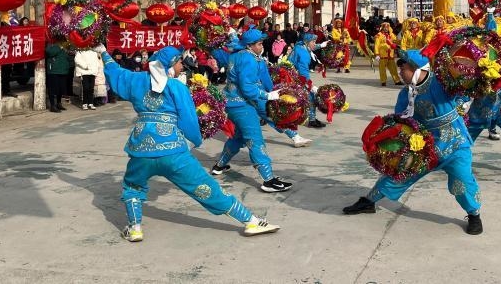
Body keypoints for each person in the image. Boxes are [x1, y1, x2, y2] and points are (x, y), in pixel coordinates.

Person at [98, 44, 280, 241]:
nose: (182, 67)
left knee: (132, 185)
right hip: (173, 152)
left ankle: (135, 228)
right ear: (170, 66)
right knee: (205, 187)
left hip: (141, 150)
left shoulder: (136, 81)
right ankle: (250, 221)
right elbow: (189, 119)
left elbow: (116, 73)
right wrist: (196, 139)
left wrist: (103, 52)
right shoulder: (176, 87)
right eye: (179, 63)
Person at [342, 50, 483, 235]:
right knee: (399, 172)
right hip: (427, 147)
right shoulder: (405, 95)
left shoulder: (442, 82)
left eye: (403, 67)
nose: (400, 71)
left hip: (456, 145)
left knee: (462, 181)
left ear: (417, 69)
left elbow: (466, 85)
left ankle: (474, 215)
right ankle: (369, 202)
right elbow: (401, 121)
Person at [210, 28, 293, 192]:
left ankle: (219, 166)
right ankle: (268, 180)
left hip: (232, 103)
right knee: (255, 139)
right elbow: (248, 88)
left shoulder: (236, 55)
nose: (262, 46)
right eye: (260, 43)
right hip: (243, 105)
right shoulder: (248, 59)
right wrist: (268, 96)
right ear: (250, 45)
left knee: (238, 138)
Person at [288, 32, 329, 128]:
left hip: (291, 75)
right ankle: (311, 120)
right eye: (313, 41)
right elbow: (304, 73)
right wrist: (310, 86)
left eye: (315, 41)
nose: (314, 43)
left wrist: (321, 45)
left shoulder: (301, 46)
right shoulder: (304, 54)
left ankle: (308, 118)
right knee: (310, 96)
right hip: (294, 77)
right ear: (307, 42)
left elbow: (312, 47)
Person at [373, 22, 402, 87]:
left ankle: (397, 81)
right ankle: (383, 81)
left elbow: (396, 40)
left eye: (387, 27)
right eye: (384, 27)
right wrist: (377, 54)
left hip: (390, 55)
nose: (386, 29)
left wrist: (401, 41)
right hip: (382, 55)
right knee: (382, 69)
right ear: (382, 28)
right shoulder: (379, 35)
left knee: (393, 69)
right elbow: (376, 45)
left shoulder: (391, 35)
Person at [45, 40, 69, 113]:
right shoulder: (50, 44)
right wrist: (59, 47)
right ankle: (52, 105)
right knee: (53, 89)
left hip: (62, 71)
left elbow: (65, 56)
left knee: (61, 89)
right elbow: (50, 52)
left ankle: (59, 103)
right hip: (53, 71)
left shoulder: (63, 44)